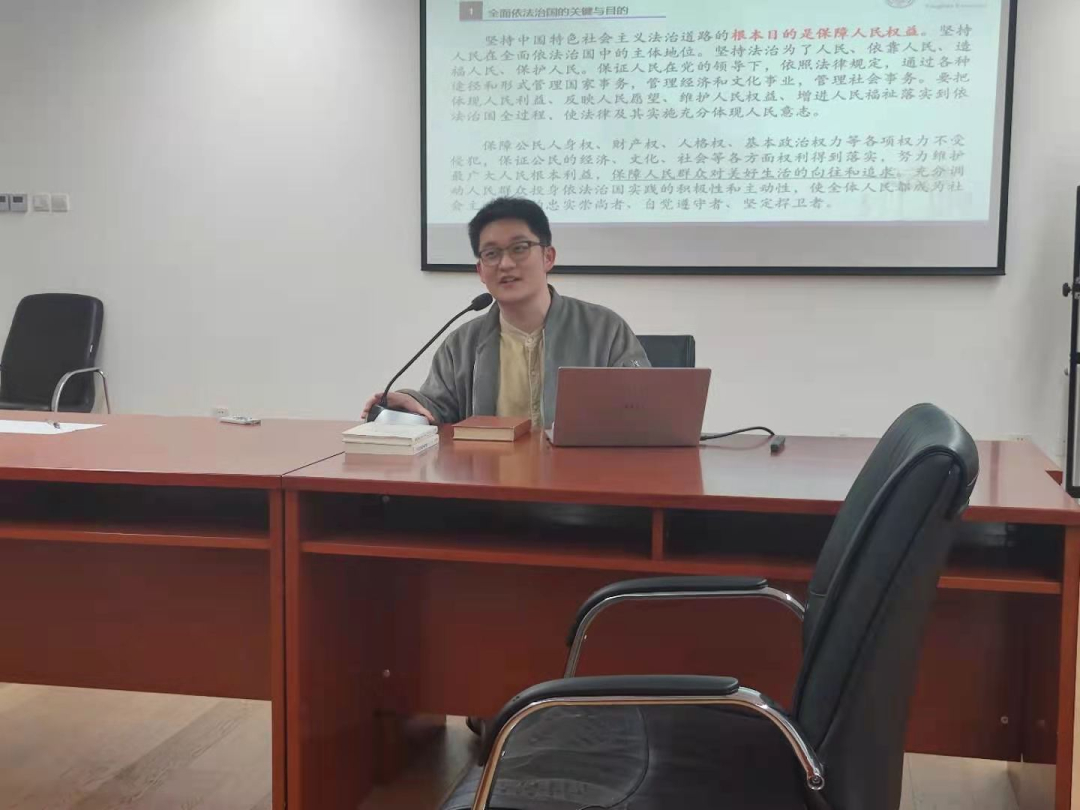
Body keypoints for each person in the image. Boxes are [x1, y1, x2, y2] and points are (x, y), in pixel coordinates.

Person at [362, 197, 650, 427]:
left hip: (582, 478)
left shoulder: (604, 329)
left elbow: (644, 407)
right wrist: (410, 403)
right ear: (480, 271)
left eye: (519, 248)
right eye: (491, 254)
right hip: (489, 479)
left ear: (548, 256)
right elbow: (438, 408)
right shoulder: (462, 343)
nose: (506, 264)